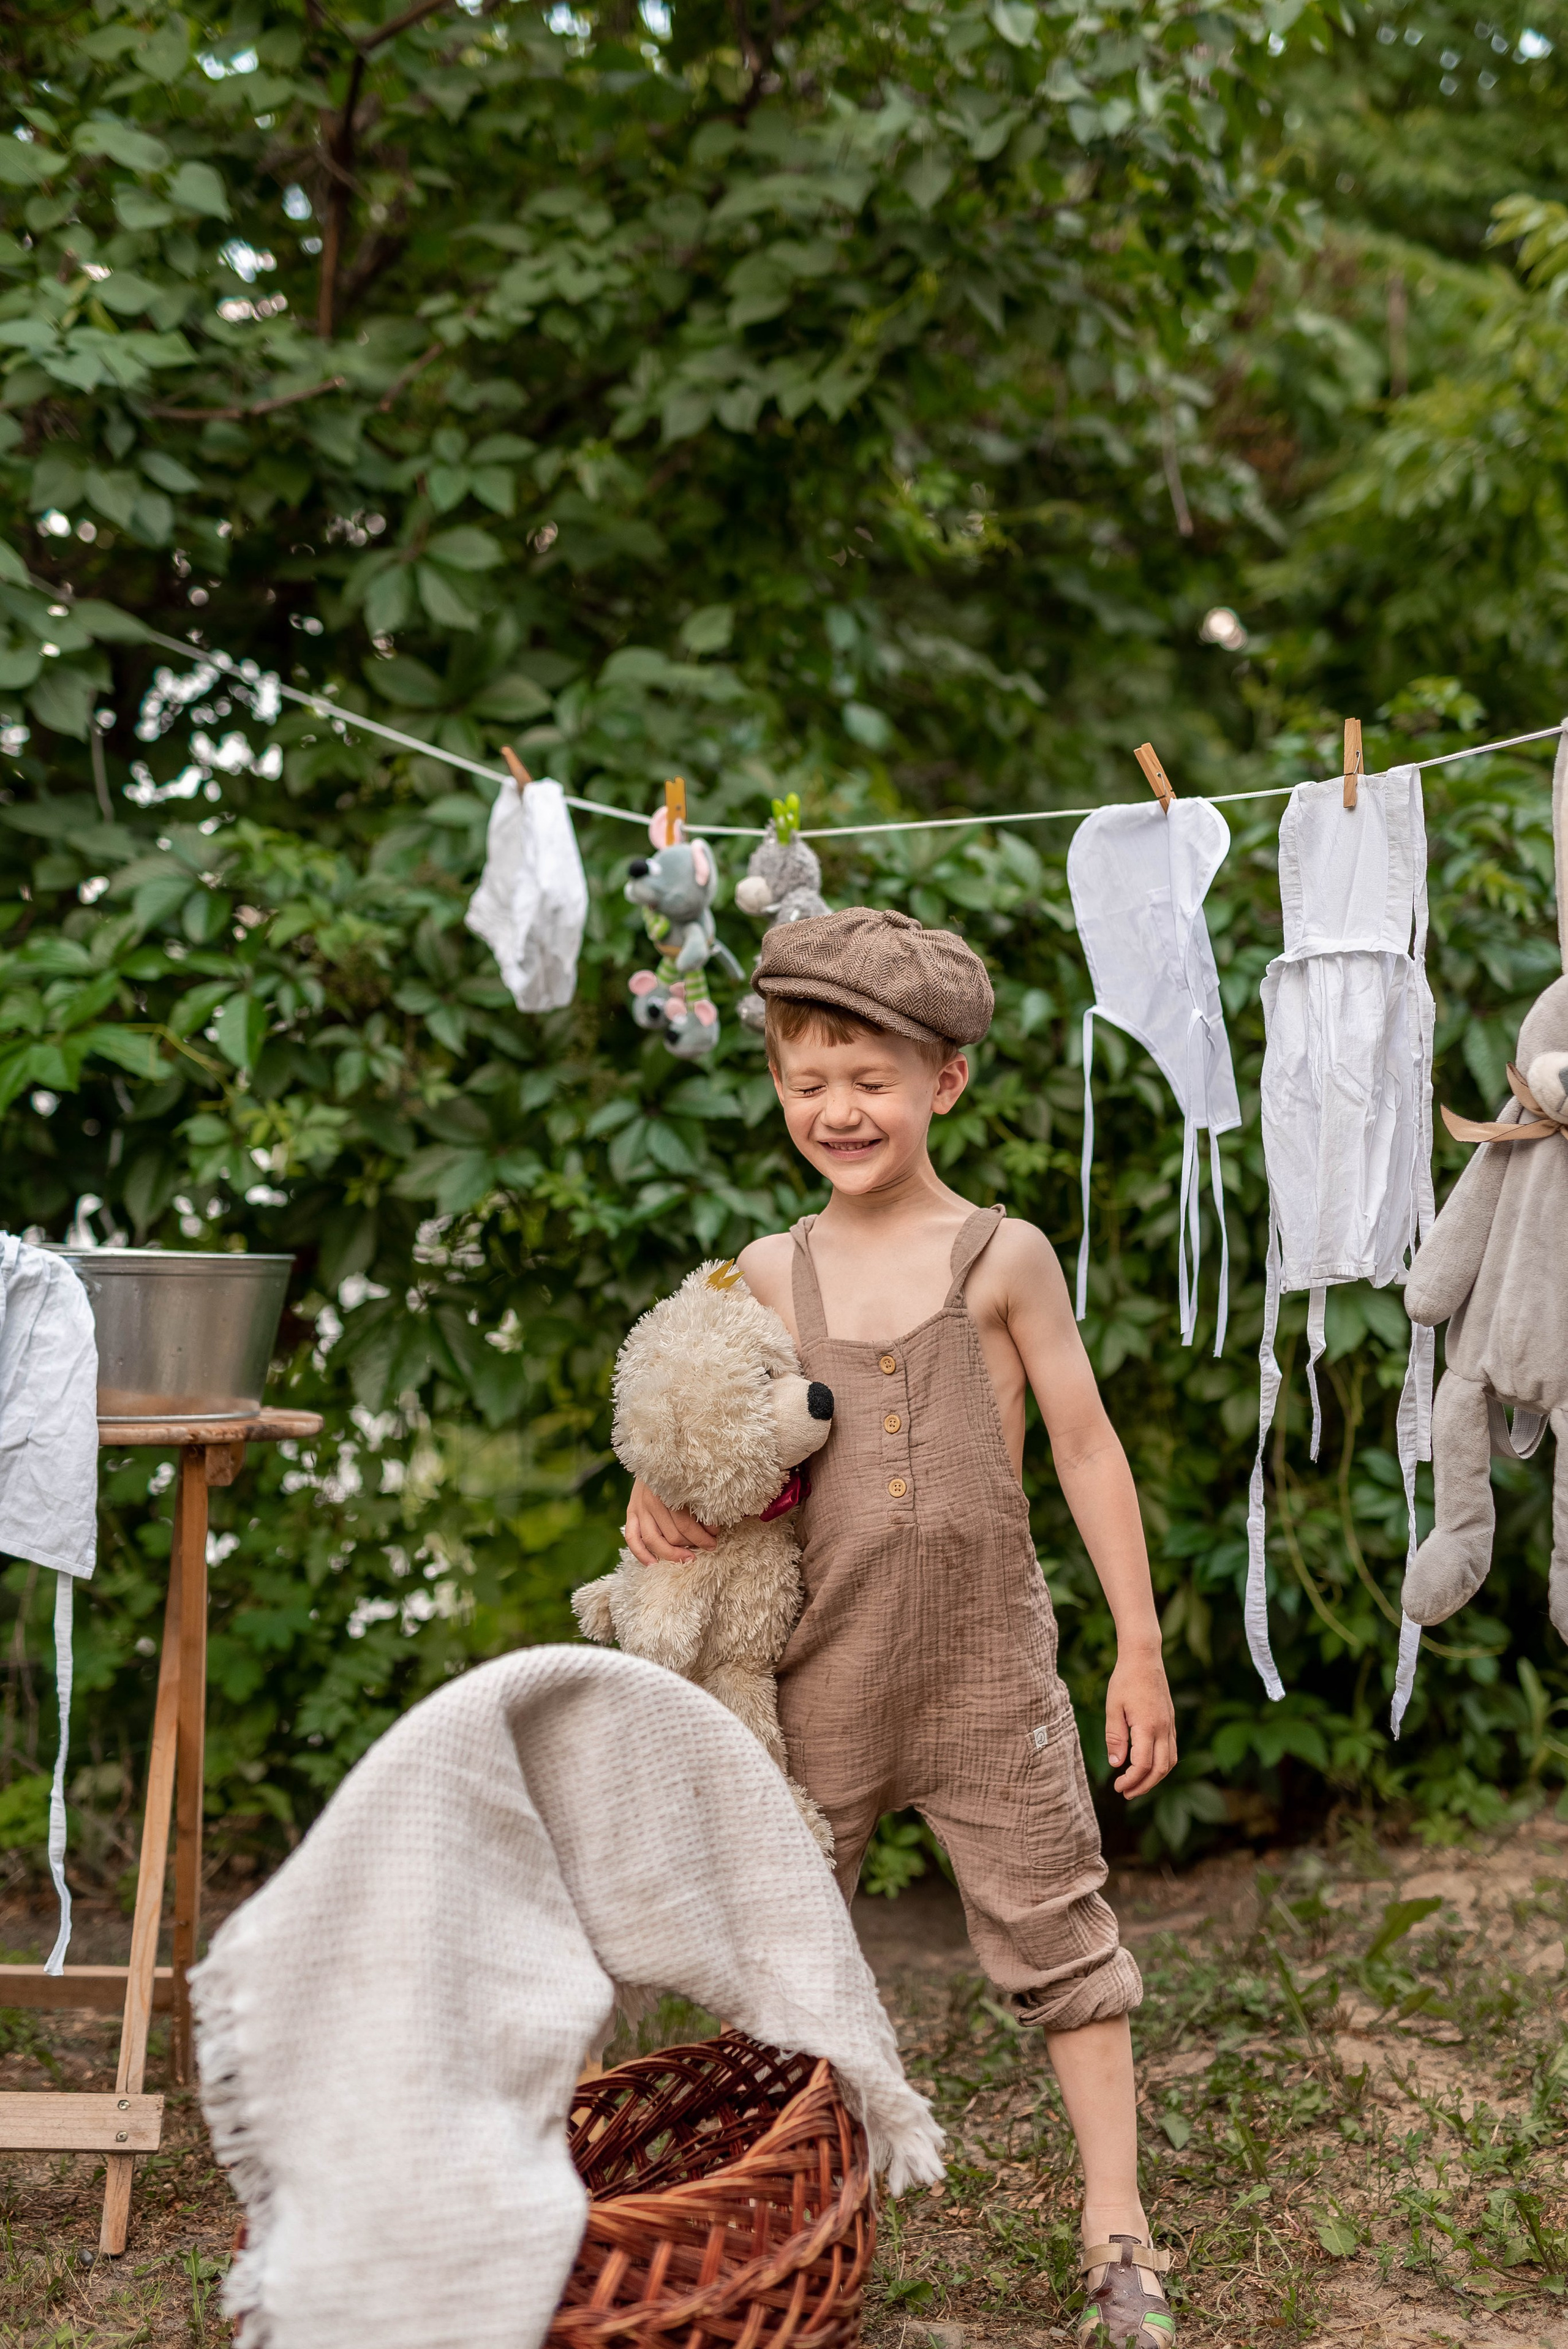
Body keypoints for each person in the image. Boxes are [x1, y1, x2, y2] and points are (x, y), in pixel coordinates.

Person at [621, 906, 1180, 2349]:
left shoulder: (1000, 1255)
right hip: (823, 1675)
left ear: (944, 1081)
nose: (834, 1109)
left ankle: (1115, 2226)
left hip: (988, 1676)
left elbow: (1086, 1447)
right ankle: (775, 2211)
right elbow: (704, 1434)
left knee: (1063, 1936)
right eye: (805, 1080)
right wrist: (653, 1506)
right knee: (780, 1945)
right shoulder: (764, 1269)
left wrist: (1137, 1644)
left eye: (867, 1077)